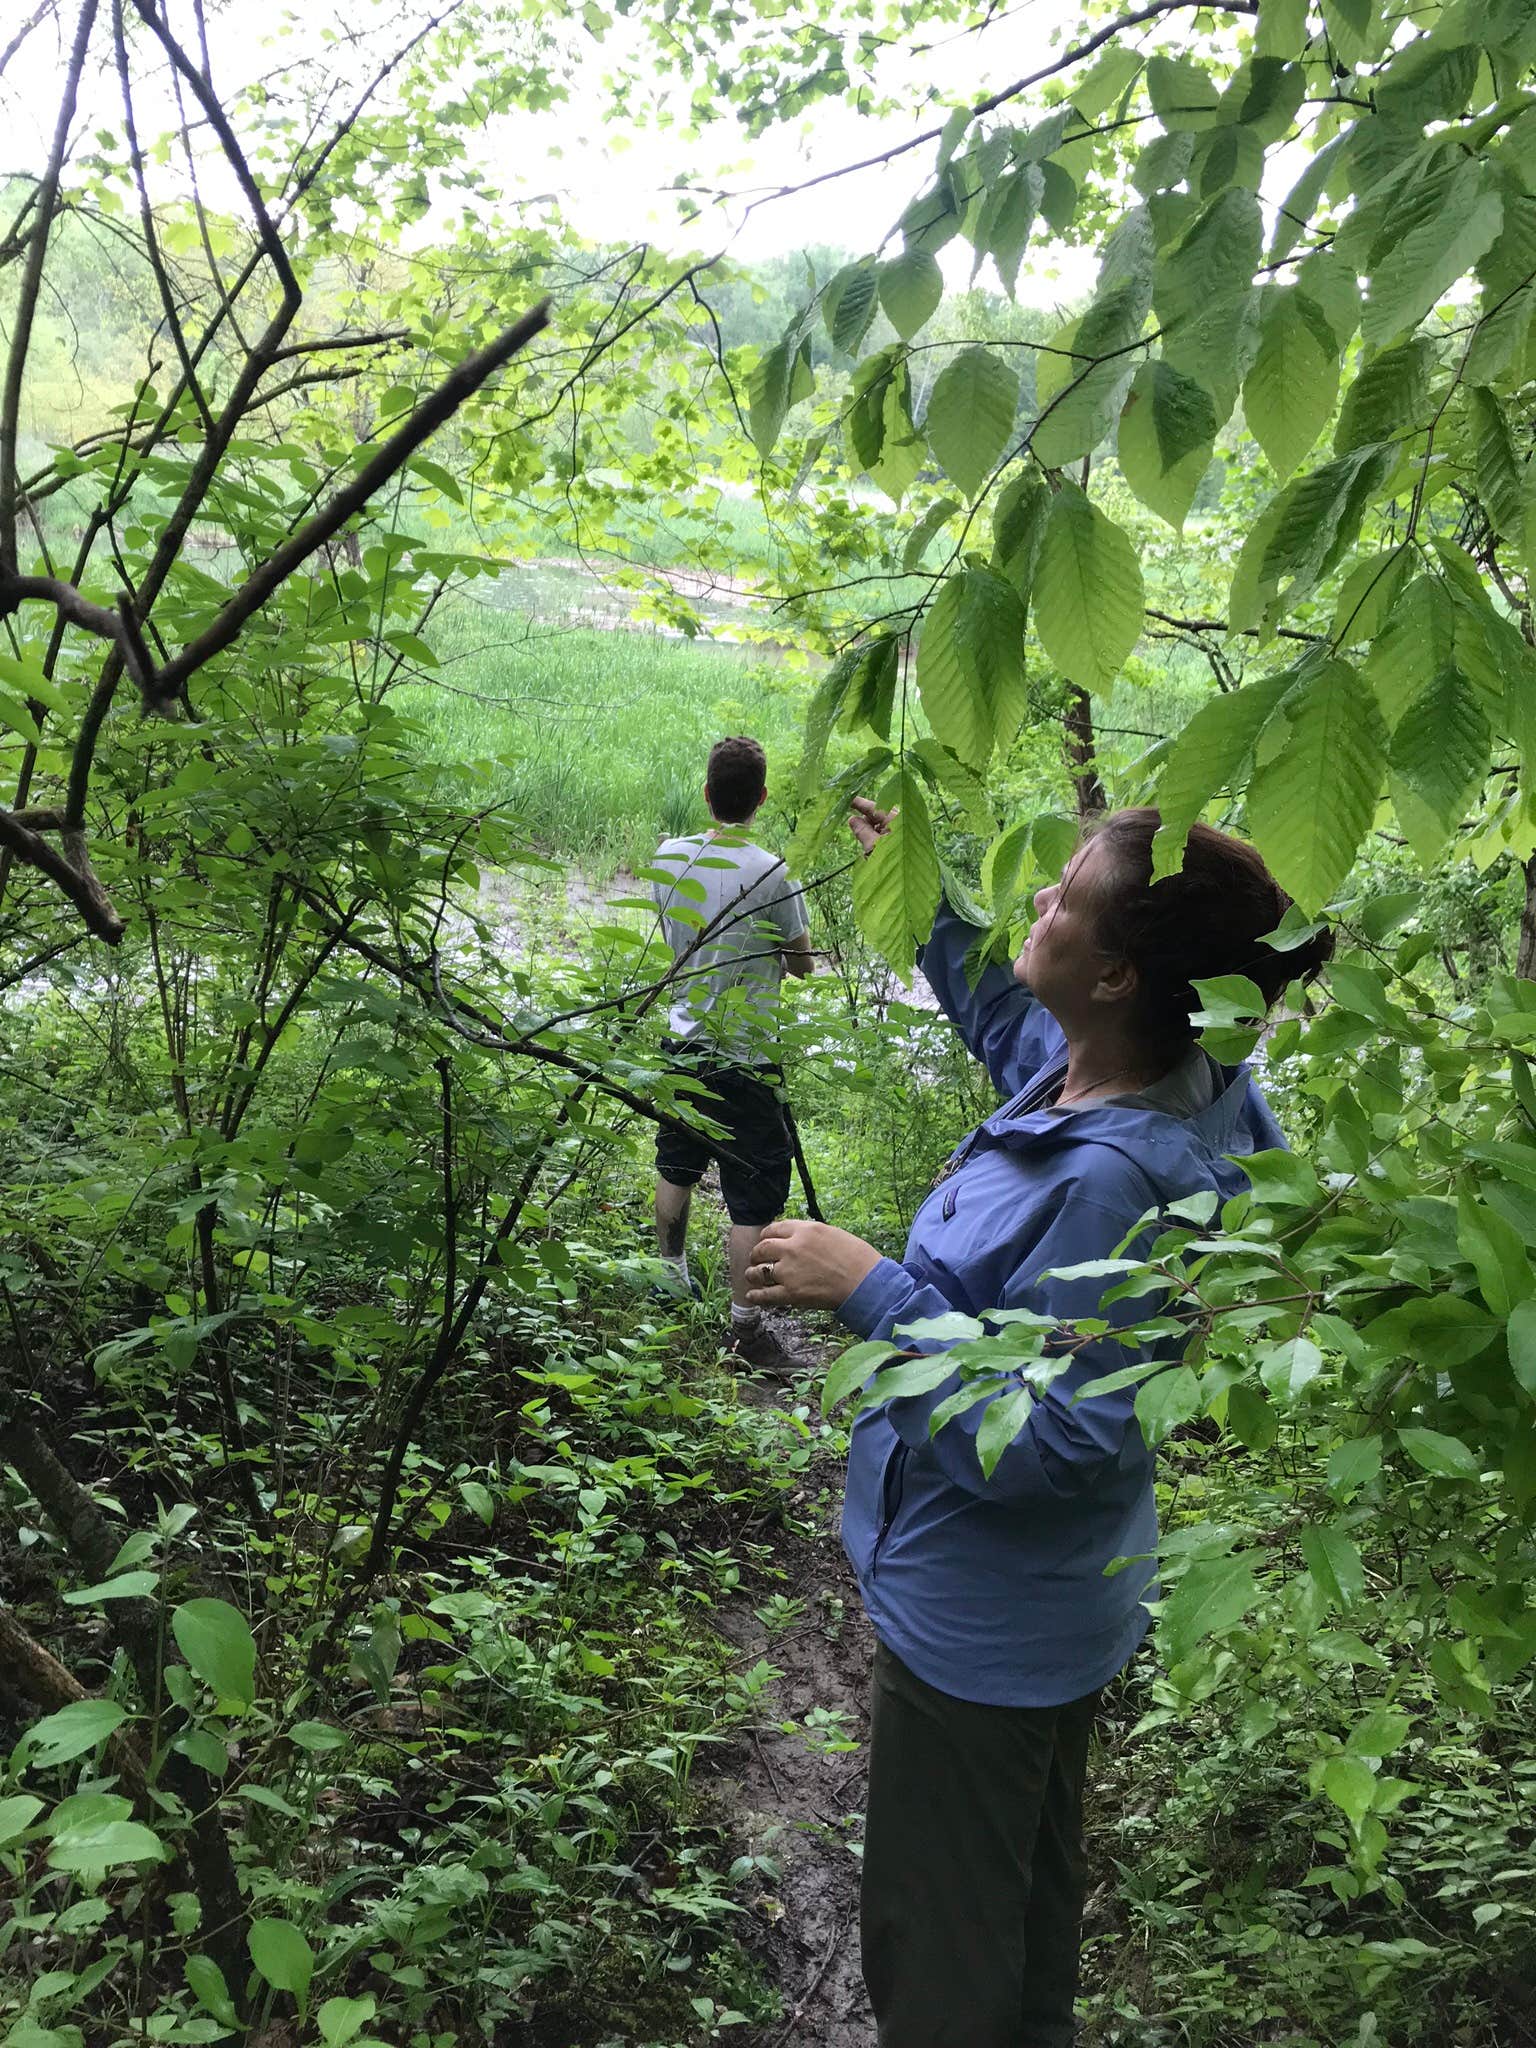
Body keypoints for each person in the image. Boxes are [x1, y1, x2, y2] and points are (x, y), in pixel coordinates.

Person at [744, 801, 1333, 2048]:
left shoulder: (1113, 1182)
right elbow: (1018, 1024)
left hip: (981, 1624)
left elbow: (1060, 1440)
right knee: (1020, 1904)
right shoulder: (1173, 1068)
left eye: (1063, 899)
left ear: (1117, 973)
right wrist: (918, 895)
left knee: (938, 1945)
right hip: (1054, 1607)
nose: (1041, 905)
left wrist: (873, 1291)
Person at [650, 735, 814, 1375]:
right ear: (762, 798)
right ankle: (745, 1326)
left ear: (707, 793)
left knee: (677, 1159)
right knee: (752, 1186)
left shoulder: (670, 857)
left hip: (683, 1039)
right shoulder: (773, 872)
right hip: (749, 1052)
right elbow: (800, 964)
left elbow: (672, 939)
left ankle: (671, 1274)